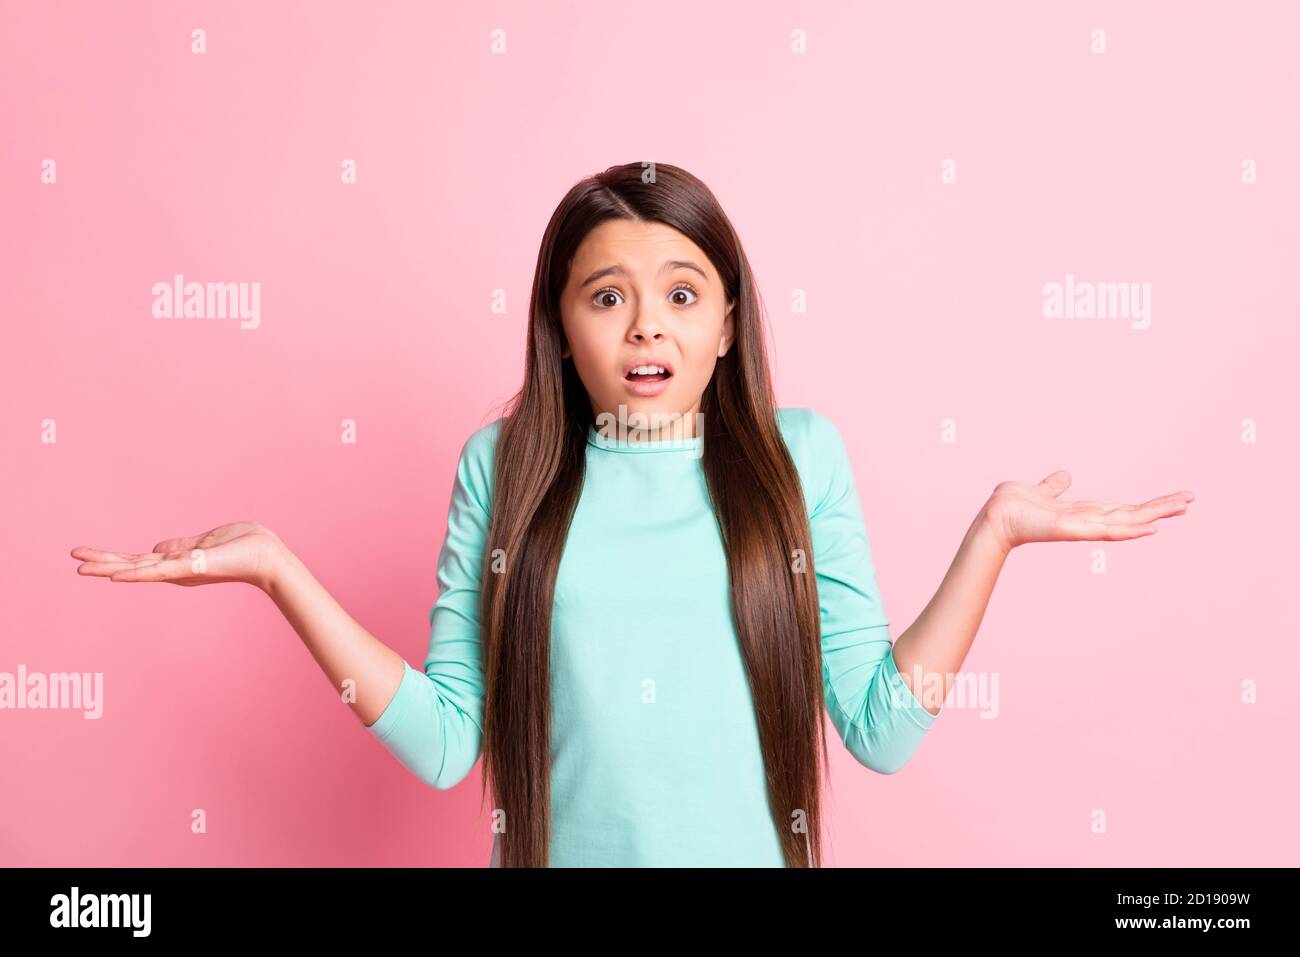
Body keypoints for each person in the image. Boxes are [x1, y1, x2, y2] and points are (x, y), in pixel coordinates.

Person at [70, 162, 1194, 867]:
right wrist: (279, 573)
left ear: (724, 322)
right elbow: (447, 745)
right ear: (562, 327)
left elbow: (882, 730)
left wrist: (989, 539)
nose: (645, 327)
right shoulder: (501, 466)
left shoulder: (800, 459)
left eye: (680, 293)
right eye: (607, 296)